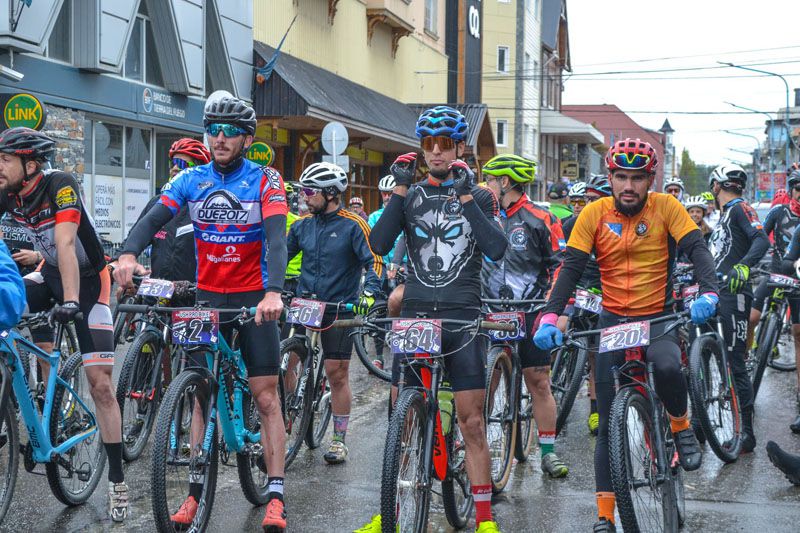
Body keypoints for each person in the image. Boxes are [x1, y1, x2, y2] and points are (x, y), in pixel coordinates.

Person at [114, 96, 290, 531]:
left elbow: (276, 239)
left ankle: (276, 493)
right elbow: (153, 216)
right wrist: (128, 253)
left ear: (247, 138)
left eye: (229, 131)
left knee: (266, 396)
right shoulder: (192, 178)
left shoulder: (265, 179)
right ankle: (194, 493)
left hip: (253, 300)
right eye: (213, 129)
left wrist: (273, 292)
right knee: (199, 395)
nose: (220, 137)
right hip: (207, 299)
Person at [533, 138, 719, 533]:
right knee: (607, 420)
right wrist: (551, 315)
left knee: (668, 365)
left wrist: (709, 290)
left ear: (650, 179)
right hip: (614, 319)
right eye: (621, 177)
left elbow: (697, 248)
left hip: (658, 314)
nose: (629, 186)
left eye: (637, 178)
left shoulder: (667, 207)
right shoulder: (595, 214)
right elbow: (571, 267)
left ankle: (681, 427)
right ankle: (604, 515)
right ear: (611, 177)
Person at [362, 105, 507, 533]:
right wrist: (401, 192)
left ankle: (484, 520)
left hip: (463, 315)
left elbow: (496, 249)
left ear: (459, 147)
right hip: (417, 313)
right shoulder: (409, 193)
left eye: (445, 144)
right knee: (401, 420)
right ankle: (387, 510)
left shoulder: (480, 195)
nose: (437, 152)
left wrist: (466, 197)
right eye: (429, 144)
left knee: (471, 420)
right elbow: (380, 241)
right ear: (422, 148)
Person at [0, 127, 130, 521]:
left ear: (31, 164)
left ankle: (117, 481)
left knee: (101, 384)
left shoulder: (61, 184)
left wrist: (71, 301)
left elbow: (66, 244)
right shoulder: (8, 192)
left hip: (91, 283)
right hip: (49, 274)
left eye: (4, 159)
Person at [287, 161, 383, 464]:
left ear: (331, 193)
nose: (304, 196)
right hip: (305, 305)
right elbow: (277, 258)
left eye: (309, 191)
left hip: (339, 307)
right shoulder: (302, 225)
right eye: (303, 190)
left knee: (336, 373)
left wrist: (370, 293)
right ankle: (291, 413)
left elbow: (375, 260)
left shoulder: (353, 224)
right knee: (288, 361)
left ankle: (339, 439)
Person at [480, 153, 568, 478]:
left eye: (489, 179)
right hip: (489, 309)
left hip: (531, 312)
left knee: (539, 382)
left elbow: (561, 265)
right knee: (485, 380)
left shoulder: (539, 218)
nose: (484, 185)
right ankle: (475, 444)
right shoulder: (483, 216)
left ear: (505, 182)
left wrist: (555, 310)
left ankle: (548, 451)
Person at [707, 163, 769, 454]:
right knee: (704, 355)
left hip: (735, 294)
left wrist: (743, 266)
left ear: (716, 185)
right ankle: (700, 423)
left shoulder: (739, 208)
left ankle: (747, 432)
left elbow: (761, 239)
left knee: (735, 364)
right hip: (714, 293)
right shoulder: (721, 218)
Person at [560, 174, 612, 436]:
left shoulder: (615, 225)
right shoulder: (569, 224)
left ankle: (596, 409)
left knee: (596, 354)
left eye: (594, 200)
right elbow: (561, 260)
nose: (588, 205)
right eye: (585, 200)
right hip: (579, 289)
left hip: (606, 292)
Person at [128, 138, 211, 283]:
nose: (175, 168)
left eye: (182, 164)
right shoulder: (157, 203)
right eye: (172, 163)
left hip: (193, 296)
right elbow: (133, 239)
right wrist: (123, 261)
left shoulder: (207, 206)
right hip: (156, 294)